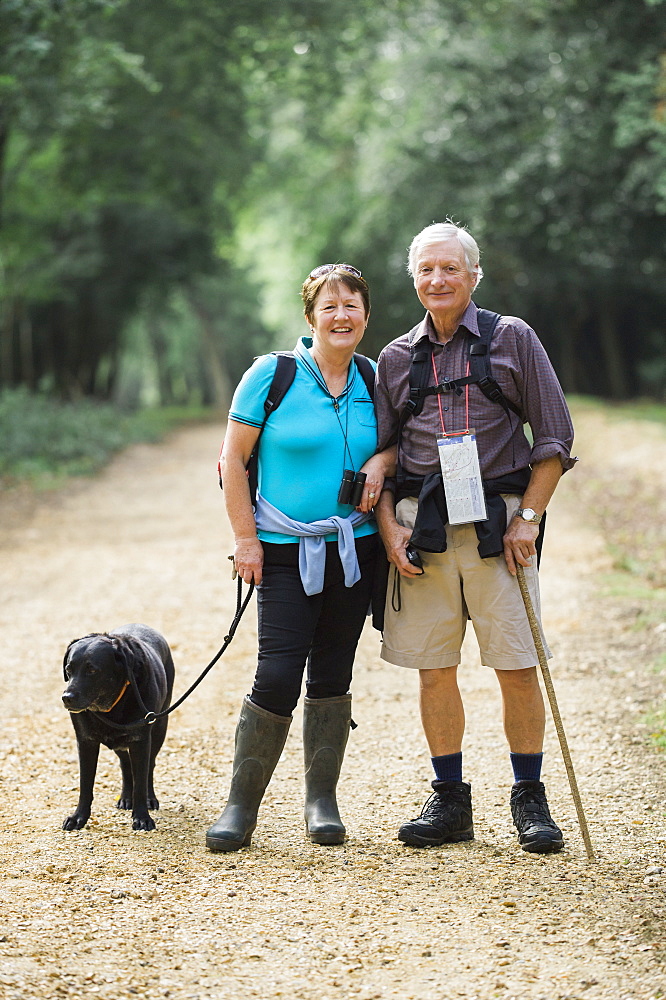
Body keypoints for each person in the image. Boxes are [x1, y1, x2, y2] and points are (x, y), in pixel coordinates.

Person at [374, 222, 576, 854]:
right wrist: (388, 530)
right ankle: (450, 801)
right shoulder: (396, 358)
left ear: (473, 276)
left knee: (517, 666)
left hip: (499, 525)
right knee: (434, 670)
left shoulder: (512, 337)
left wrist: (529, 519)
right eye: (427, 270)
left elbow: (554, 439)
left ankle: (530, 799)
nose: (438, 280)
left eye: (451, 269)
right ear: (413, 279)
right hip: (422, 528)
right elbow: (383, 454)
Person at [206, 263, 392, 852]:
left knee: (335, 671)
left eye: (352, 306)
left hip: (353, 548)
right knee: (279, 671)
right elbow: (231, 459)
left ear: (366, 315)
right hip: (283, 551)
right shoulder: (273, 374)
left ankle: (322, 802)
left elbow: (390, 448)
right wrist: (245, 538)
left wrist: (380, 466)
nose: (342, 316)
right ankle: (241, 807)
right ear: (310, 316)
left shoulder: (372, 376)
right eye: (330, 306)